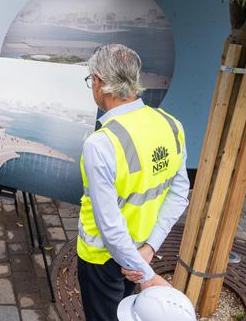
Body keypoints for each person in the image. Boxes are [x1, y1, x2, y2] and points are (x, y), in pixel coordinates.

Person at [76, 44, 190, 321]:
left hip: (101, 259)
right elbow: (179, 193)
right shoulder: (171, 124)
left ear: (99, 83)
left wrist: (147, 275)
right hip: (141, 252)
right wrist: (147, 251)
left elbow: (109, 224)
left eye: (91, 80)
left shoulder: (101, 143)